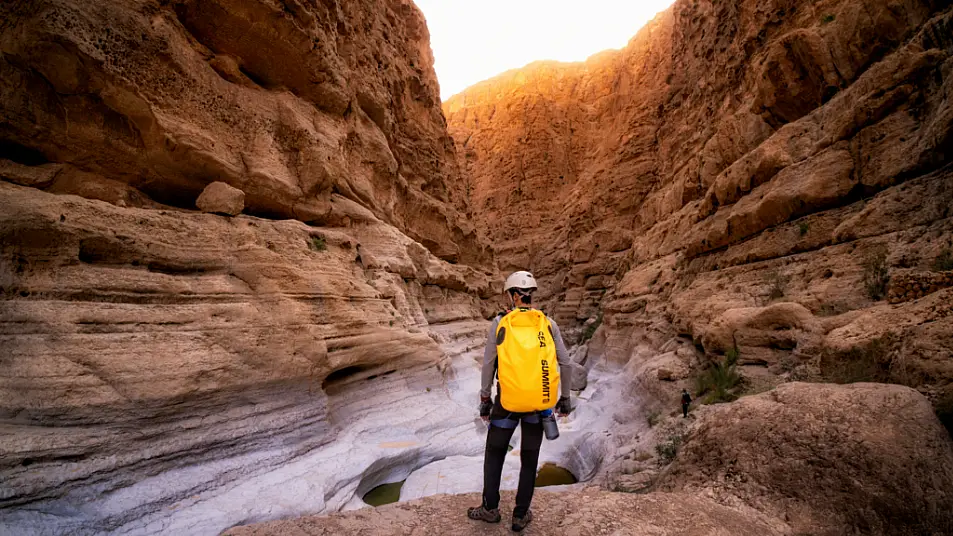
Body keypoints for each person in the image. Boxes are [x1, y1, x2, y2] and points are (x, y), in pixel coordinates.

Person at [467, 271, 574, 532]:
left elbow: (489, 364)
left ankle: (490, 509)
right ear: (530, 295)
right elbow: (566, 363)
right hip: (538, 404)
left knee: (494, 453)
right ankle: (520, 515)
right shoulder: (547, 323)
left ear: (513, 295)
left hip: (507, 402)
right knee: (529, 457)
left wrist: (485, 398)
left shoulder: (500, 322)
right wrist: (565, 398)